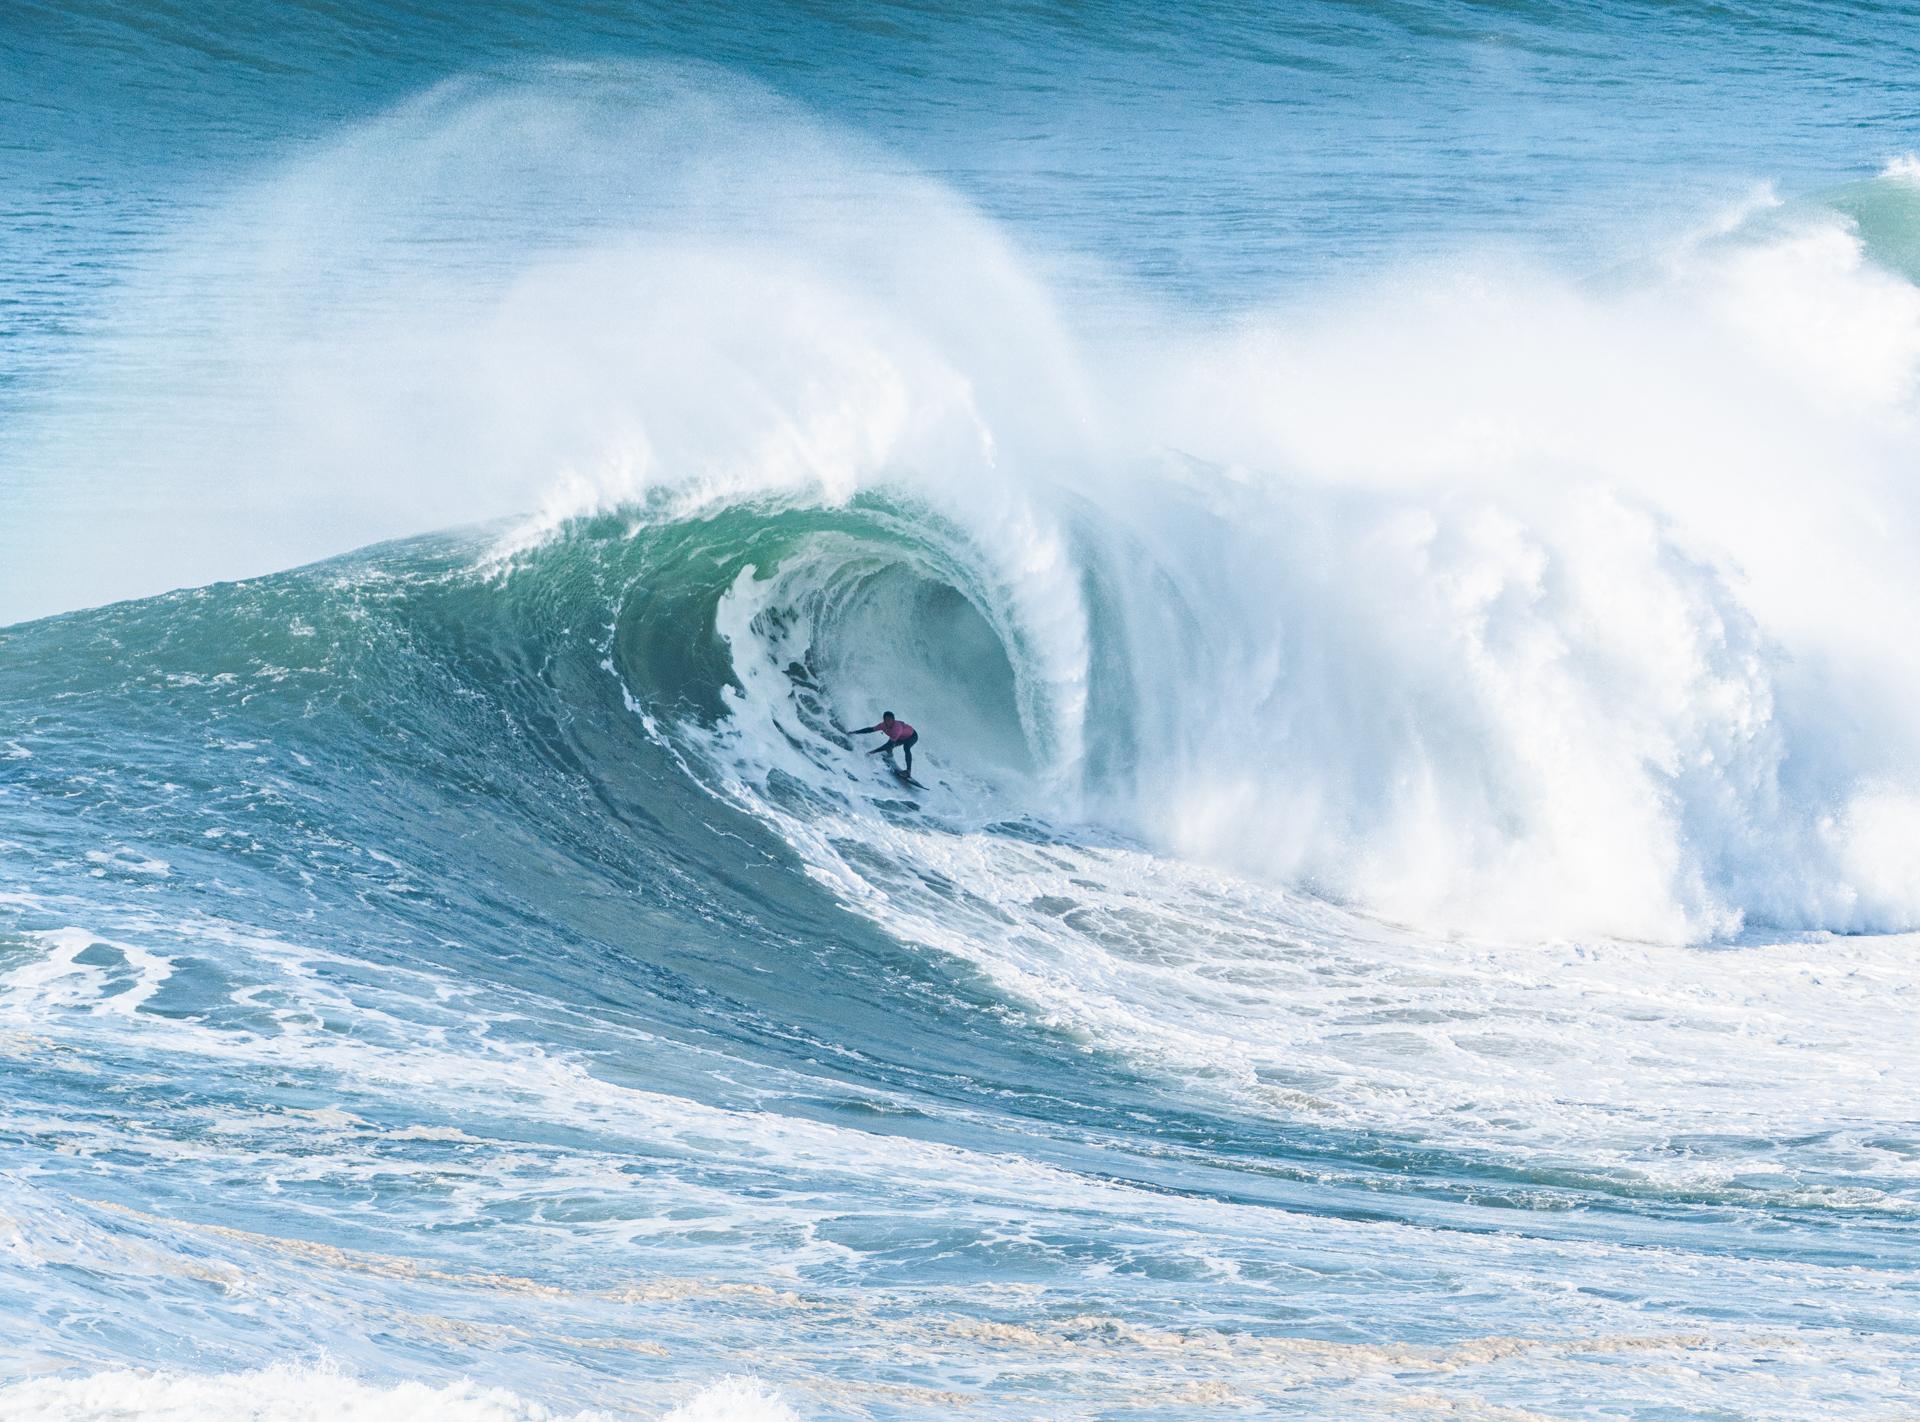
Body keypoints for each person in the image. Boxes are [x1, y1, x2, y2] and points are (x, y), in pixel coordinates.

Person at [842, 711, 918, 777]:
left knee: (906, 747)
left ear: (893, 720)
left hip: (911, 736)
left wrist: (873, 752)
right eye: (886, 720)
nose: (887, 722)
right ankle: (889, 757)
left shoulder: (897, 728)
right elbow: (870, 729)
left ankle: (908, 771)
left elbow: (888, 744)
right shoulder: (883, 725)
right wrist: (854, 732)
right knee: (889, 747)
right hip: (900, 737)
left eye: (889, 720)